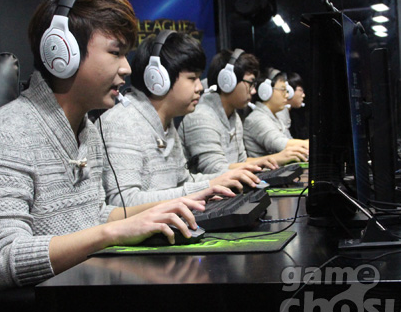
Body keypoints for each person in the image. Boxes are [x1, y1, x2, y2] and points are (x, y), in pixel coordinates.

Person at [0, 0, 232, 292]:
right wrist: (113, 233)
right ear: (62, 52)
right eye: (115, 53)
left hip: (89, 290)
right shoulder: (4, 134)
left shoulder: (86, 129)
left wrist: (167, 207)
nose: (126, 68)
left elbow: (94, 214)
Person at [100, 31, 264, 207]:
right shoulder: (121, 122)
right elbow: (124, 202)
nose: (200, 87)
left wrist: (225, 178)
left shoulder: (166, 124)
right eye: (192, 78)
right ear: (158, 78)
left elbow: (184, 182)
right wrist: (208, 187)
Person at [178, 49, 307, 175]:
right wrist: (274, 159)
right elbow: (215, 169)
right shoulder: (201, 117)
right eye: (250, 83)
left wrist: (265, 161)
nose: (253, 91)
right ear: (228, 81)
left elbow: (241, 162)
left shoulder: (234, 117)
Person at [243, 68, 309, 158]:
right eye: (283, 90)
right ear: (266, 91)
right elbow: (281, 144)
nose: (287, 95)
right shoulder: (256, 119)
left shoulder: (276, 116)